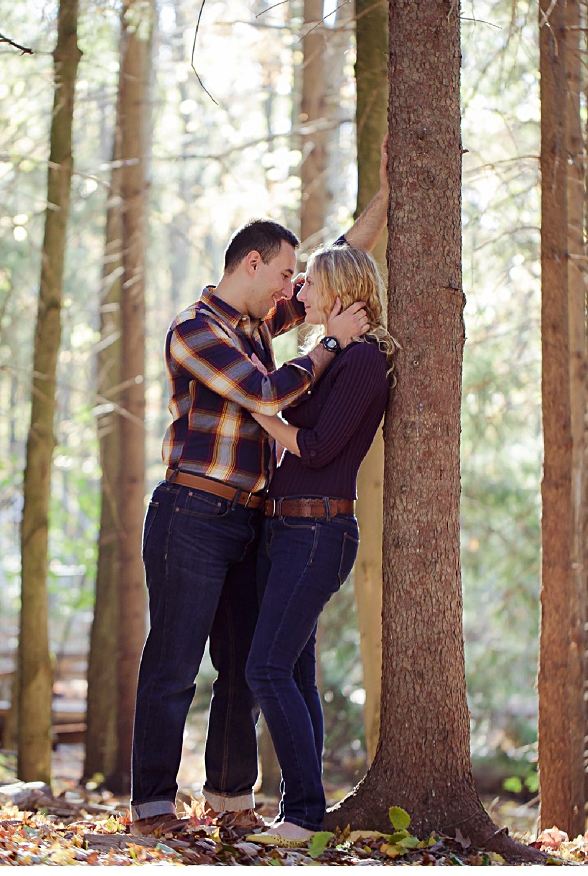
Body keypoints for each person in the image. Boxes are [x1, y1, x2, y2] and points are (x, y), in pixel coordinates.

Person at [127, 156, 388, 839]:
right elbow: (270, 394)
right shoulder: (197, 329)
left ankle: (229, 798)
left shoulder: (254, 322)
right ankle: (152, 807)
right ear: (250, 264)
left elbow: (337, 272)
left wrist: (384, 202)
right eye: (282, 274)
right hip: (191, 513)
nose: (293, 288)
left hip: (249, 521)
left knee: (243, 670)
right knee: (174, 665)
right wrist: (331, 341)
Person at [241, 244, 393, 846]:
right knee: (294, 674)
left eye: (309, 286)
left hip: (317, 531)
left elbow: (321, 446)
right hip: (286, 530)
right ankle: (303, 812)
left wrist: (261, 414)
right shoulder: (330, 356)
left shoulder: (364, 361)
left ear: (339, 291)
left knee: (266, 668)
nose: (297, 294)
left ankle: (304, 815)